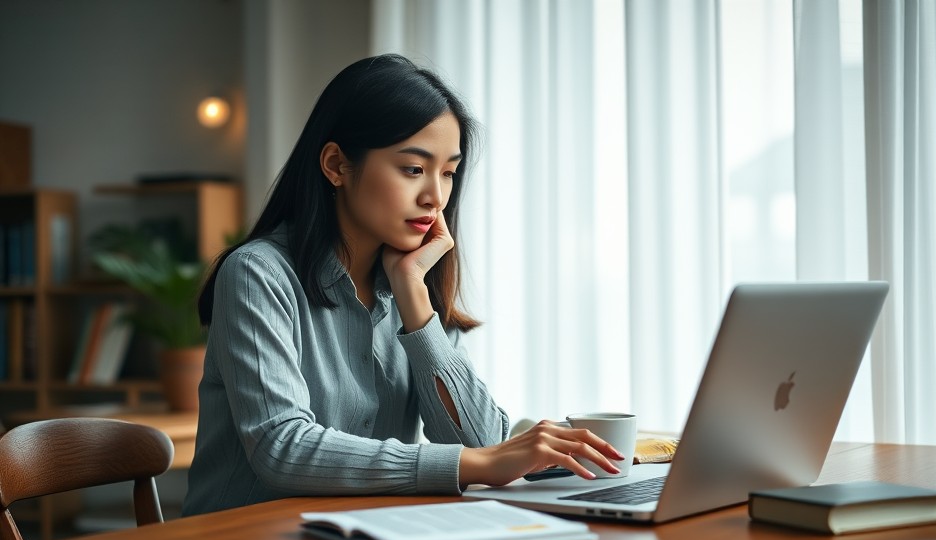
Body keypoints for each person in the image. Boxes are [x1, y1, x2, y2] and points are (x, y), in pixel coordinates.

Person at [182, 54, 624, 516]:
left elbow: (482, 444)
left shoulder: (411, 280)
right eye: (413, 169)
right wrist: (471, 463)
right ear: (336, 165)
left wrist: (415, 297)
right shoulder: (258, 274)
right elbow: (282, 449)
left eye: (448, 172)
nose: (435, 196)